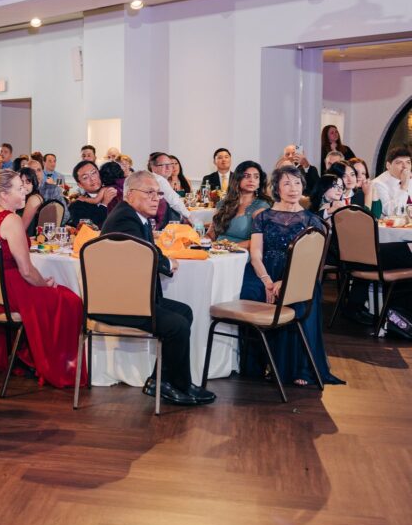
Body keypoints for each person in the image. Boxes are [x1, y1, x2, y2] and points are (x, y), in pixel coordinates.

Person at [100, 171, 215, 406]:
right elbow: (143, 256)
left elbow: (147, 250)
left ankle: (161, 381)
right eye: (149, 192)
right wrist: (166, 264)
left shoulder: (133, 216)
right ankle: (172, 385)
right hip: (117, 304)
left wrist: (164, 261)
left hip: (131, 297)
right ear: (130, 194)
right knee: (177, 324)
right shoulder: (125, 219)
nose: (156, 198)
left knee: (184, 312)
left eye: (158, 193)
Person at [0, 170, 86, 387]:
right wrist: (46, 284)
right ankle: (59, 364)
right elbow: (27, 271)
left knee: (60, 296)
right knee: (71, 300)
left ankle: (29, 355)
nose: (25, 192)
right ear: (3, 194)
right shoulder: (10, 219)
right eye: (19, 189)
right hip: (9, 290)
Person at [238, 165, 341, 386]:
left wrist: (286, 281)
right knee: (249, 293)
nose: (293, 188)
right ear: (276, 188)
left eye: (297, 182)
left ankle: (299, 367)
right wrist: (266, 280)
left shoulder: (312, 220)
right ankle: (256, 363)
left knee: (299, 296)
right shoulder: (262, 217)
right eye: (286, 183)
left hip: (297, 273)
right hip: (263, 270)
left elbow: (311, 262)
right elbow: (256, 253)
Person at [207, 161, 270, 247]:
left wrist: (229, 247)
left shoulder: (261, 207)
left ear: (259, 183)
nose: (252, 180)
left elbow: (262, 240)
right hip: (218, 251)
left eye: (256, 177)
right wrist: (201, 242)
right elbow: (211, 234)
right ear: (237, 178)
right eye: (247, 176)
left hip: (241, 253)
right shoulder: (224, 203)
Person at [67, 161, 113, 229]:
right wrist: (104, 204)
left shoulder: (115, 192)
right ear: (80, 185)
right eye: (85, 177)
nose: (92, 179)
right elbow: (87, 228)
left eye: (94, 173)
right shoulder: (76, 206)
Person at [371, 146, 411, 216]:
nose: (405, 166)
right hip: (389, 225)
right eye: (399, 162)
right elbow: (391, 213)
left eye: (408, 162)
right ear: (388, 165)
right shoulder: (378, 184)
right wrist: (403, 186)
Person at [17, 166, 44, 235]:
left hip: (29, 239)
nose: (24, 185)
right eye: (21, 182)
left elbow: (22, 227)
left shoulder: (34, 199)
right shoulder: (24, 198)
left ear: (33, 183)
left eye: (28, 182)